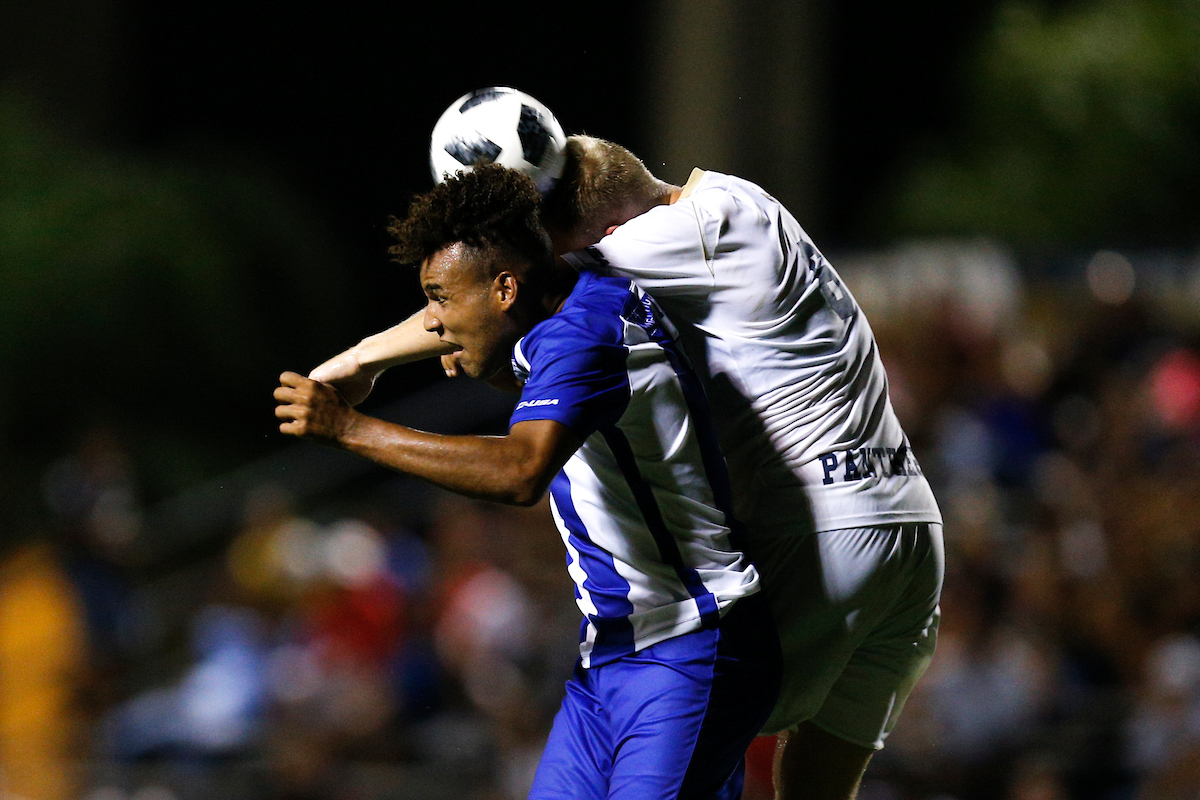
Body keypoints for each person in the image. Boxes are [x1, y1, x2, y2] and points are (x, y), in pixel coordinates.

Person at [310, 136, 944, 800]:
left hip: (817, 529)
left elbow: (517, 289)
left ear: (608, 230)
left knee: (708, 715)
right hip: (912, 528)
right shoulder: (742, 199)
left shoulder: (660, 243)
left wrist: (361, 362)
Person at [275, 164, 782, 800]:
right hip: (614, 658)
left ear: (506, 289)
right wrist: (361, 359)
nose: (432, 321)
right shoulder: (572, 298)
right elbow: (535, 368)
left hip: (694, 643)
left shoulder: (584, 334)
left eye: (439, 298)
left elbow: (519, 472)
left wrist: (350, 428)